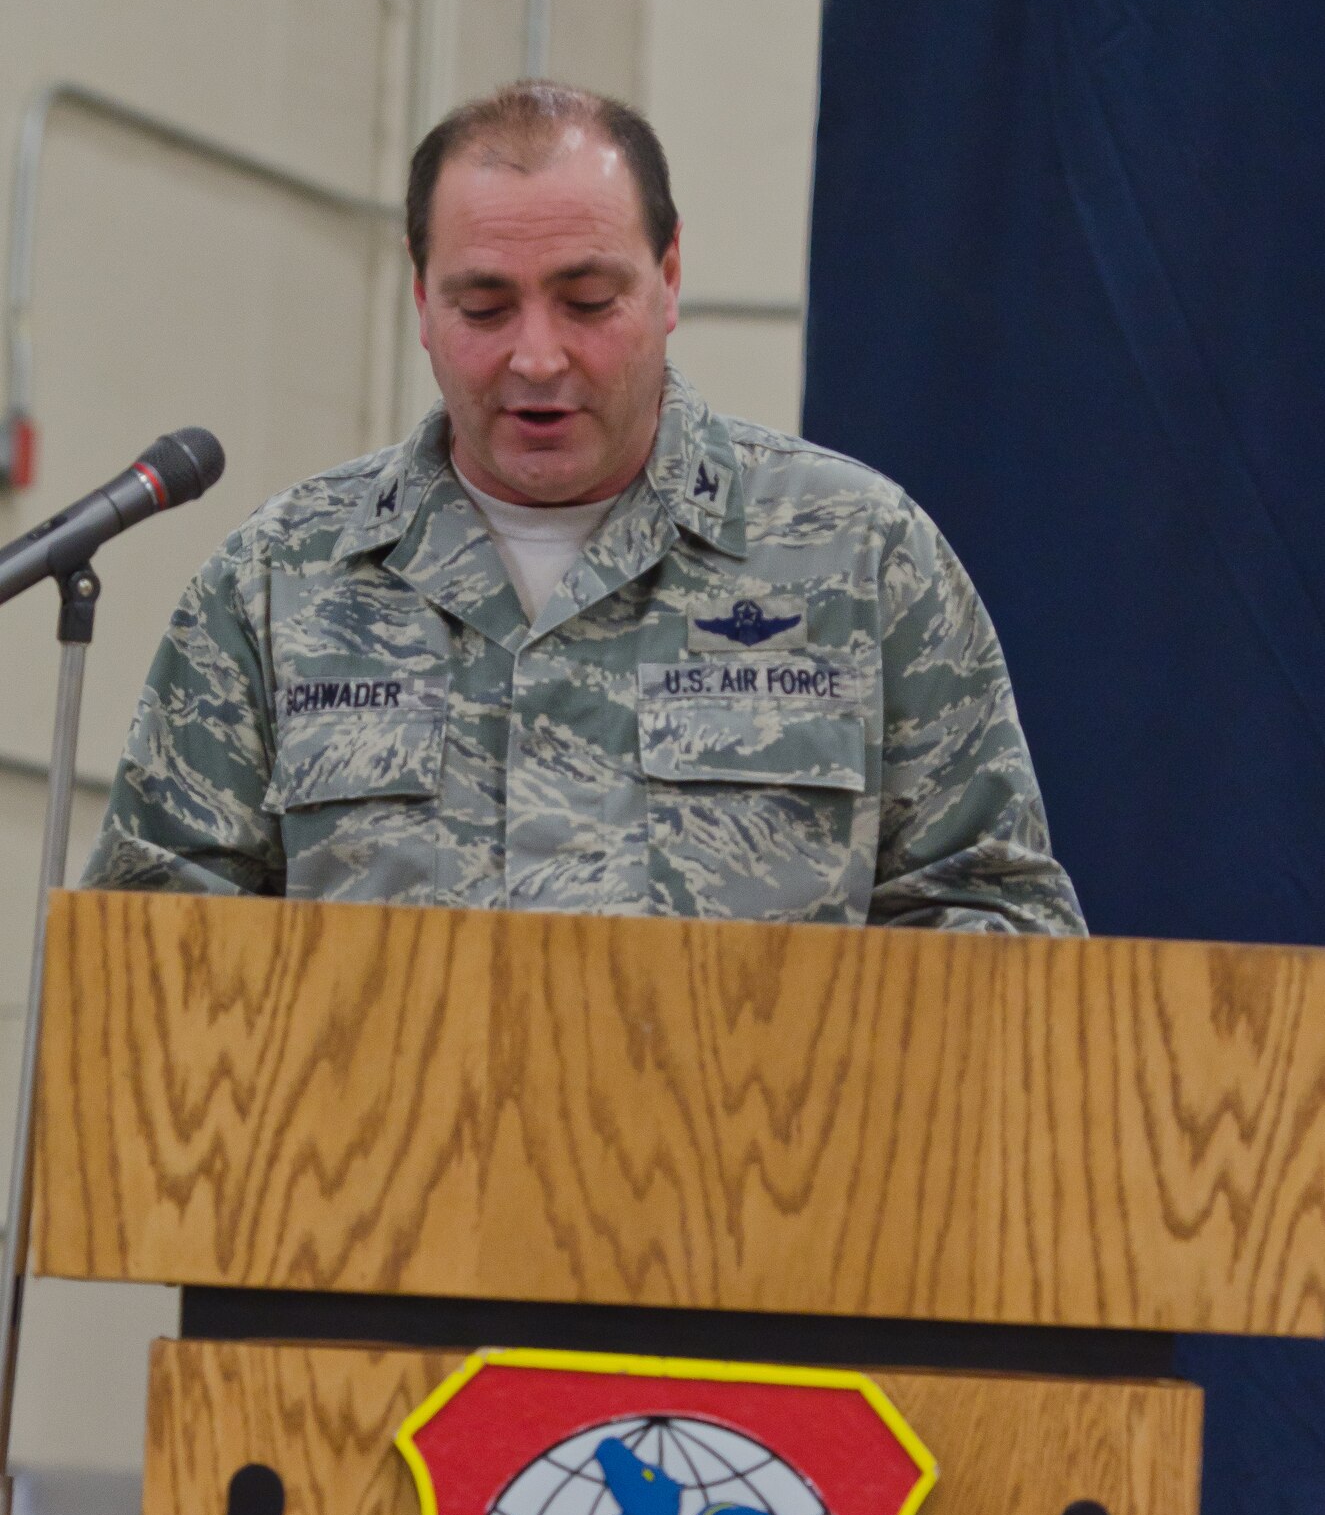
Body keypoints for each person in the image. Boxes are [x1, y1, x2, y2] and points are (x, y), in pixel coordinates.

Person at [82, 82, 1084, 934]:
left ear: (669, 280)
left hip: (757, 1157)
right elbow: (154, 953)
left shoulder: (859, 557)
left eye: (587, 301)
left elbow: (997, 922)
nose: (536, 356)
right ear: (421, 299)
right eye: (482, 307)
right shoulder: (278, 579)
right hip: (383, 1163)